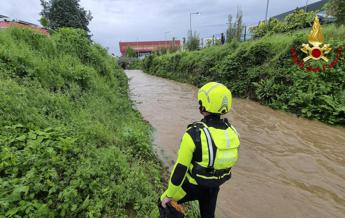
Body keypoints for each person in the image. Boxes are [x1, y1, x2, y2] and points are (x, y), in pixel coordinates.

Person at [160, 82, 240, 218]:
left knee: (164, 202)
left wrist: (169, 195)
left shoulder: (194, 133)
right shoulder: (233, 132)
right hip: (213, 187)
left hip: (192, 186)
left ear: (203, 106)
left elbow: (180, 168)